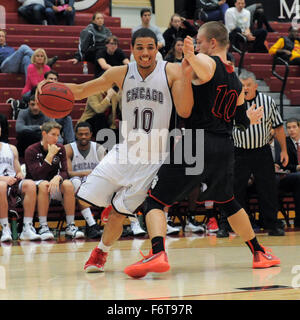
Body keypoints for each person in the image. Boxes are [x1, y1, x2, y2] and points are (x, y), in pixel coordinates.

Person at [123, 21, 279, 279]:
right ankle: (259, 252)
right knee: (227, 201)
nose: (197, 44)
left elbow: (202, 69)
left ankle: (158, 252)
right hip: (225, 145)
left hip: (197, 140)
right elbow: (240, 119)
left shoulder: (209, 63)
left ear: (212, 43)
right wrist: (249, 117)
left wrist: (190, 57)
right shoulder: (236, 80)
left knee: (155, 199)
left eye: (200, 41)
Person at [36, 28, 193, 272]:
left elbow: (187, 104)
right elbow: (79, 91)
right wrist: (45, 86)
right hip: (125, 151)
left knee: (119, 214)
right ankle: (113, 202)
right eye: (139, 47)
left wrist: (190, 69)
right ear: (131, 49)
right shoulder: (120, 73)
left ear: (157, 48)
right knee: (85, 195)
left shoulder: (170, 70)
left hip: (155, 157)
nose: (145, 52)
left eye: (150, 47)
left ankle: (101, 251)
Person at [217, 70, 287, 237]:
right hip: (238, 152)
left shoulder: (268, 101)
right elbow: (223, 127)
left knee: (268, 189)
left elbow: (277, 127)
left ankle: (271, 224)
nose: (245, 88)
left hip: (261, 151)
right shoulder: (231, 102)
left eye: (248, 85)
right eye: (242, 85)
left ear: (255, 86)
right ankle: (225, 225)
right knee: (232, 189)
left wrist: (283, 150)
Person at [24, 121, 85, 240]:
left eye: (58, 135)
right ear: (44, 134)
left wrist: (58, 177)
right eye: (53, 134)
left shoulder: (61, 148)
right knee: (44, 184)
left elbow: (65, 171)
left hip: (54, 185)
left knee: (67, 184)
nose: (56, 138)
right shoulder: (31, 150)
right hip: (35, 187)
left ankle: (70, 226)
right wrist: (49, 156)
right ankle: (43, 226)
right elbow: (37, 175)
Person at [0, 123, 41, 242]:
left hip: (12, 182)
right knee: (1, 185)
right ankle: (5, 228)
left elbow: (18, 171)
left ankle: (27, 228)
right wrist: (3, 179)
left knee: (30, 184)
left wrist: (19, 174)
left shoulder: (11, 148)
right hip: (2, 183)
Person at [65, 122, 106, 238]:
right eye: (80, 134)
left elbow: (105, 171)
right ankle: (92, 224)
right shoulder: (68, 149)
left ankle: (132, 224)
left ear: (91, 134)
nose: (83, 136)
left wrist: (90, 175)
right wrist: (88, 173)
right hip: (76, 184)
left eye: (86, 134)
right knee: (77, 182)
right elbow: (69, 173)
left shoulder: (99, 148)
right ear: (76, 135)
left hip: (95, 183)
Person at [275, 118, 300, 228]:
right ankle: (299, 219)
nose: (291, 130)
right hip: (289, 176)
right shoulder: (284, 143)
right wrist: (297, 167)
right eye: (289, 128)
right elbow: (283, 164)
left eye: (294, 127)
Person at [43, 70, 75, 144]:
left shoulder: (60, 92)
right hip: (42, 118)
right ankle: (58, 141)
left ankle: (71, 143)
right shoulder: (40, 90)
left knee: (67, 118)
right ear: (45, 80)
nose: (53, 81)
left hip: (56, 117)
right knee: (50, 114)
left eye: (55, 79)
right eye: (51, 79)